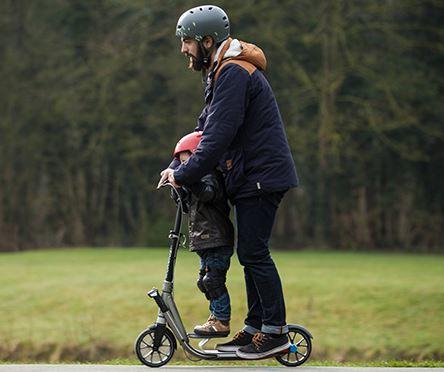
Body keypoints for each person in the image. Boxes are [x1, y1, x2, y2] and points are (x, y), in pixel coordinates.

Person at [158, 5, 299, 359]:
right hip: (250, 177)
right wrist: (178, 162)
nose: (183, 50)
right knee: (250, 253)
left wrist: (185, 174)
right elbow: (203, 129)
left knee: (254, 253)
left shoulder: (234, 72)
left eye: (187, 42)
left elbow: (218, 137)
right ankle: (255, 329)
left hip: (261, 176)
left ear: (208, 41)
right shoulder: (221, 71)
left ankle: (275, 331)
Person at [172, 131, 234, 337]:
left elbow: (207, 194)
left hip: (217, 240)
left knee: (213, 281)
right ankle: (215, 317)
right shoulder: (197, 179)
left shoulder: (210, 176)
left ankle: (222, 322)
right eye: (180, 164)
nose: (182, 168)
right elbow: (186, 205)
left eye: (186, 162)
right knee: (204, 282)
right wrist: (177, 186)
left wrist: (187, 180)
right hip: (205, 241)